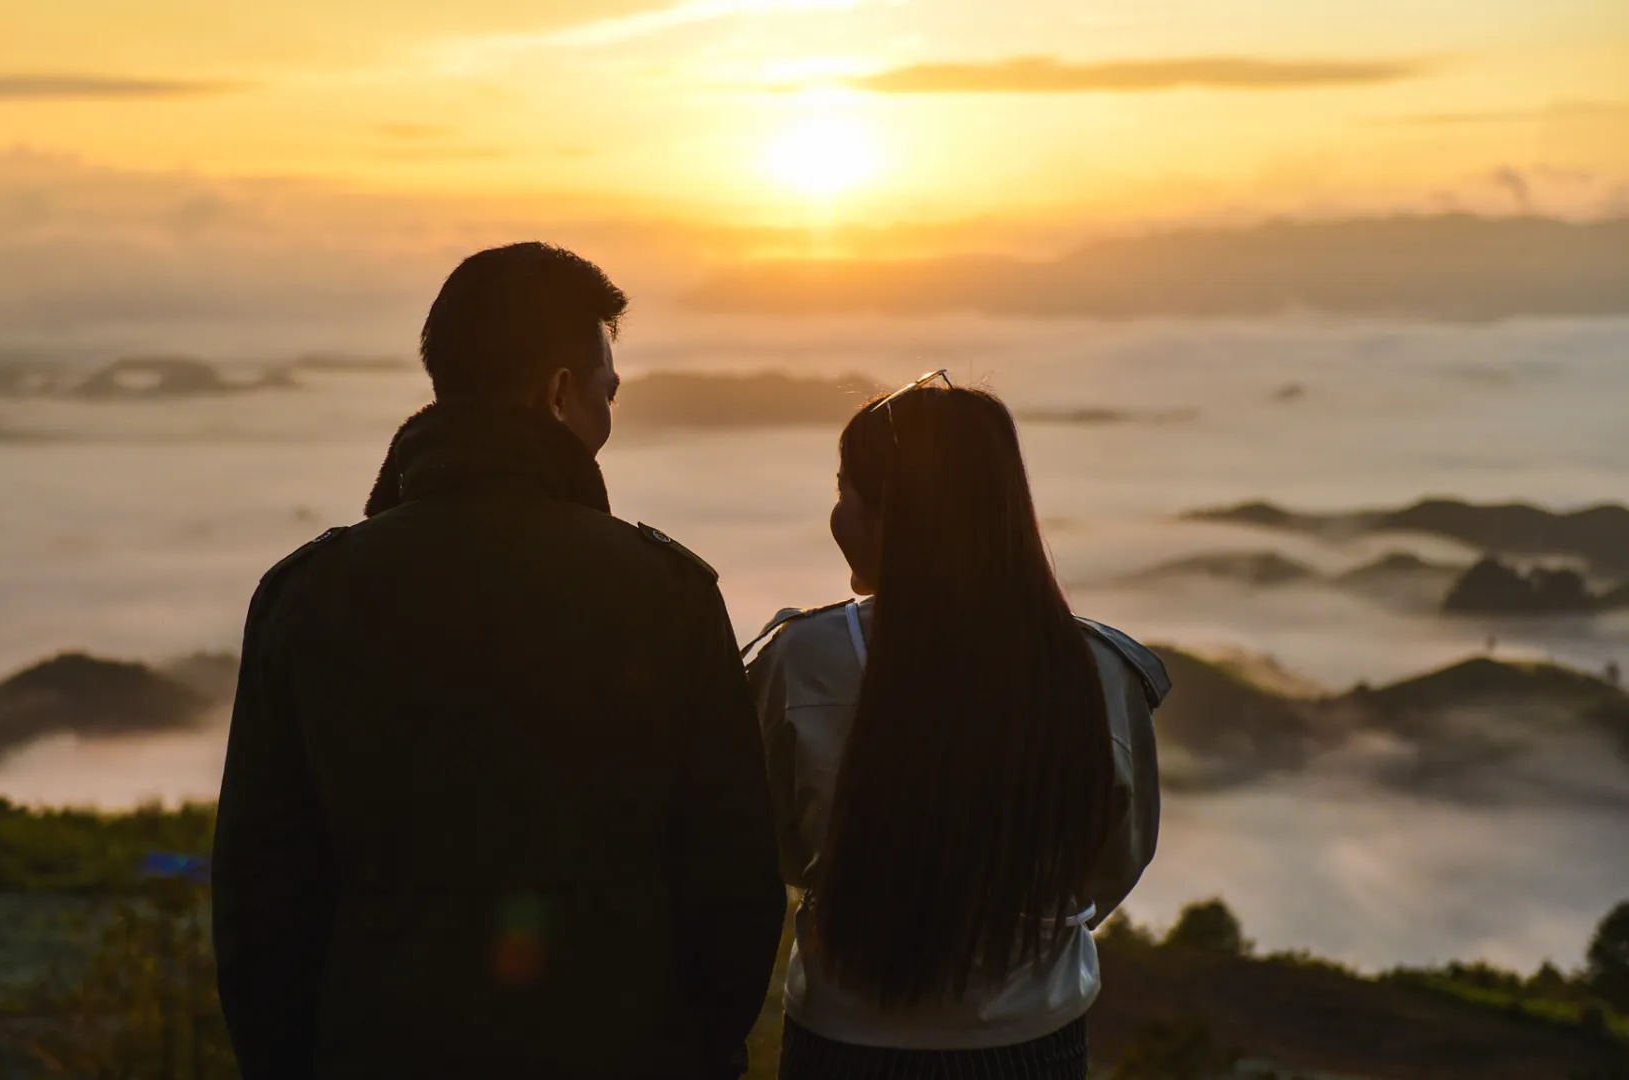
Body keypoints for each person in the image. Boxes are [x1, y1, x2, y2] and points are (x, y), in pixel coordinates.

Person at [212, 242, 785, 1080]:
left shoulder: (307, 596)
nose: (607, 416)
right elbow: (731, 882)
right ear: (559, 394)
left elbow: (262, 897)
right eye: (604, 392)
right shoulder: (664, 593)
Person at [745, 372, 1169, 1079]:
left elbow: (772, 838)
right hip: (1035, 1042)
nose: (839, 512)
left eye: (846, 488)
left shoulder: (802, 661)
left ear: (899, 511)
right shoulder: (1099, 671)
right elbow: (1115, 859)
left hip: (842, 1043)